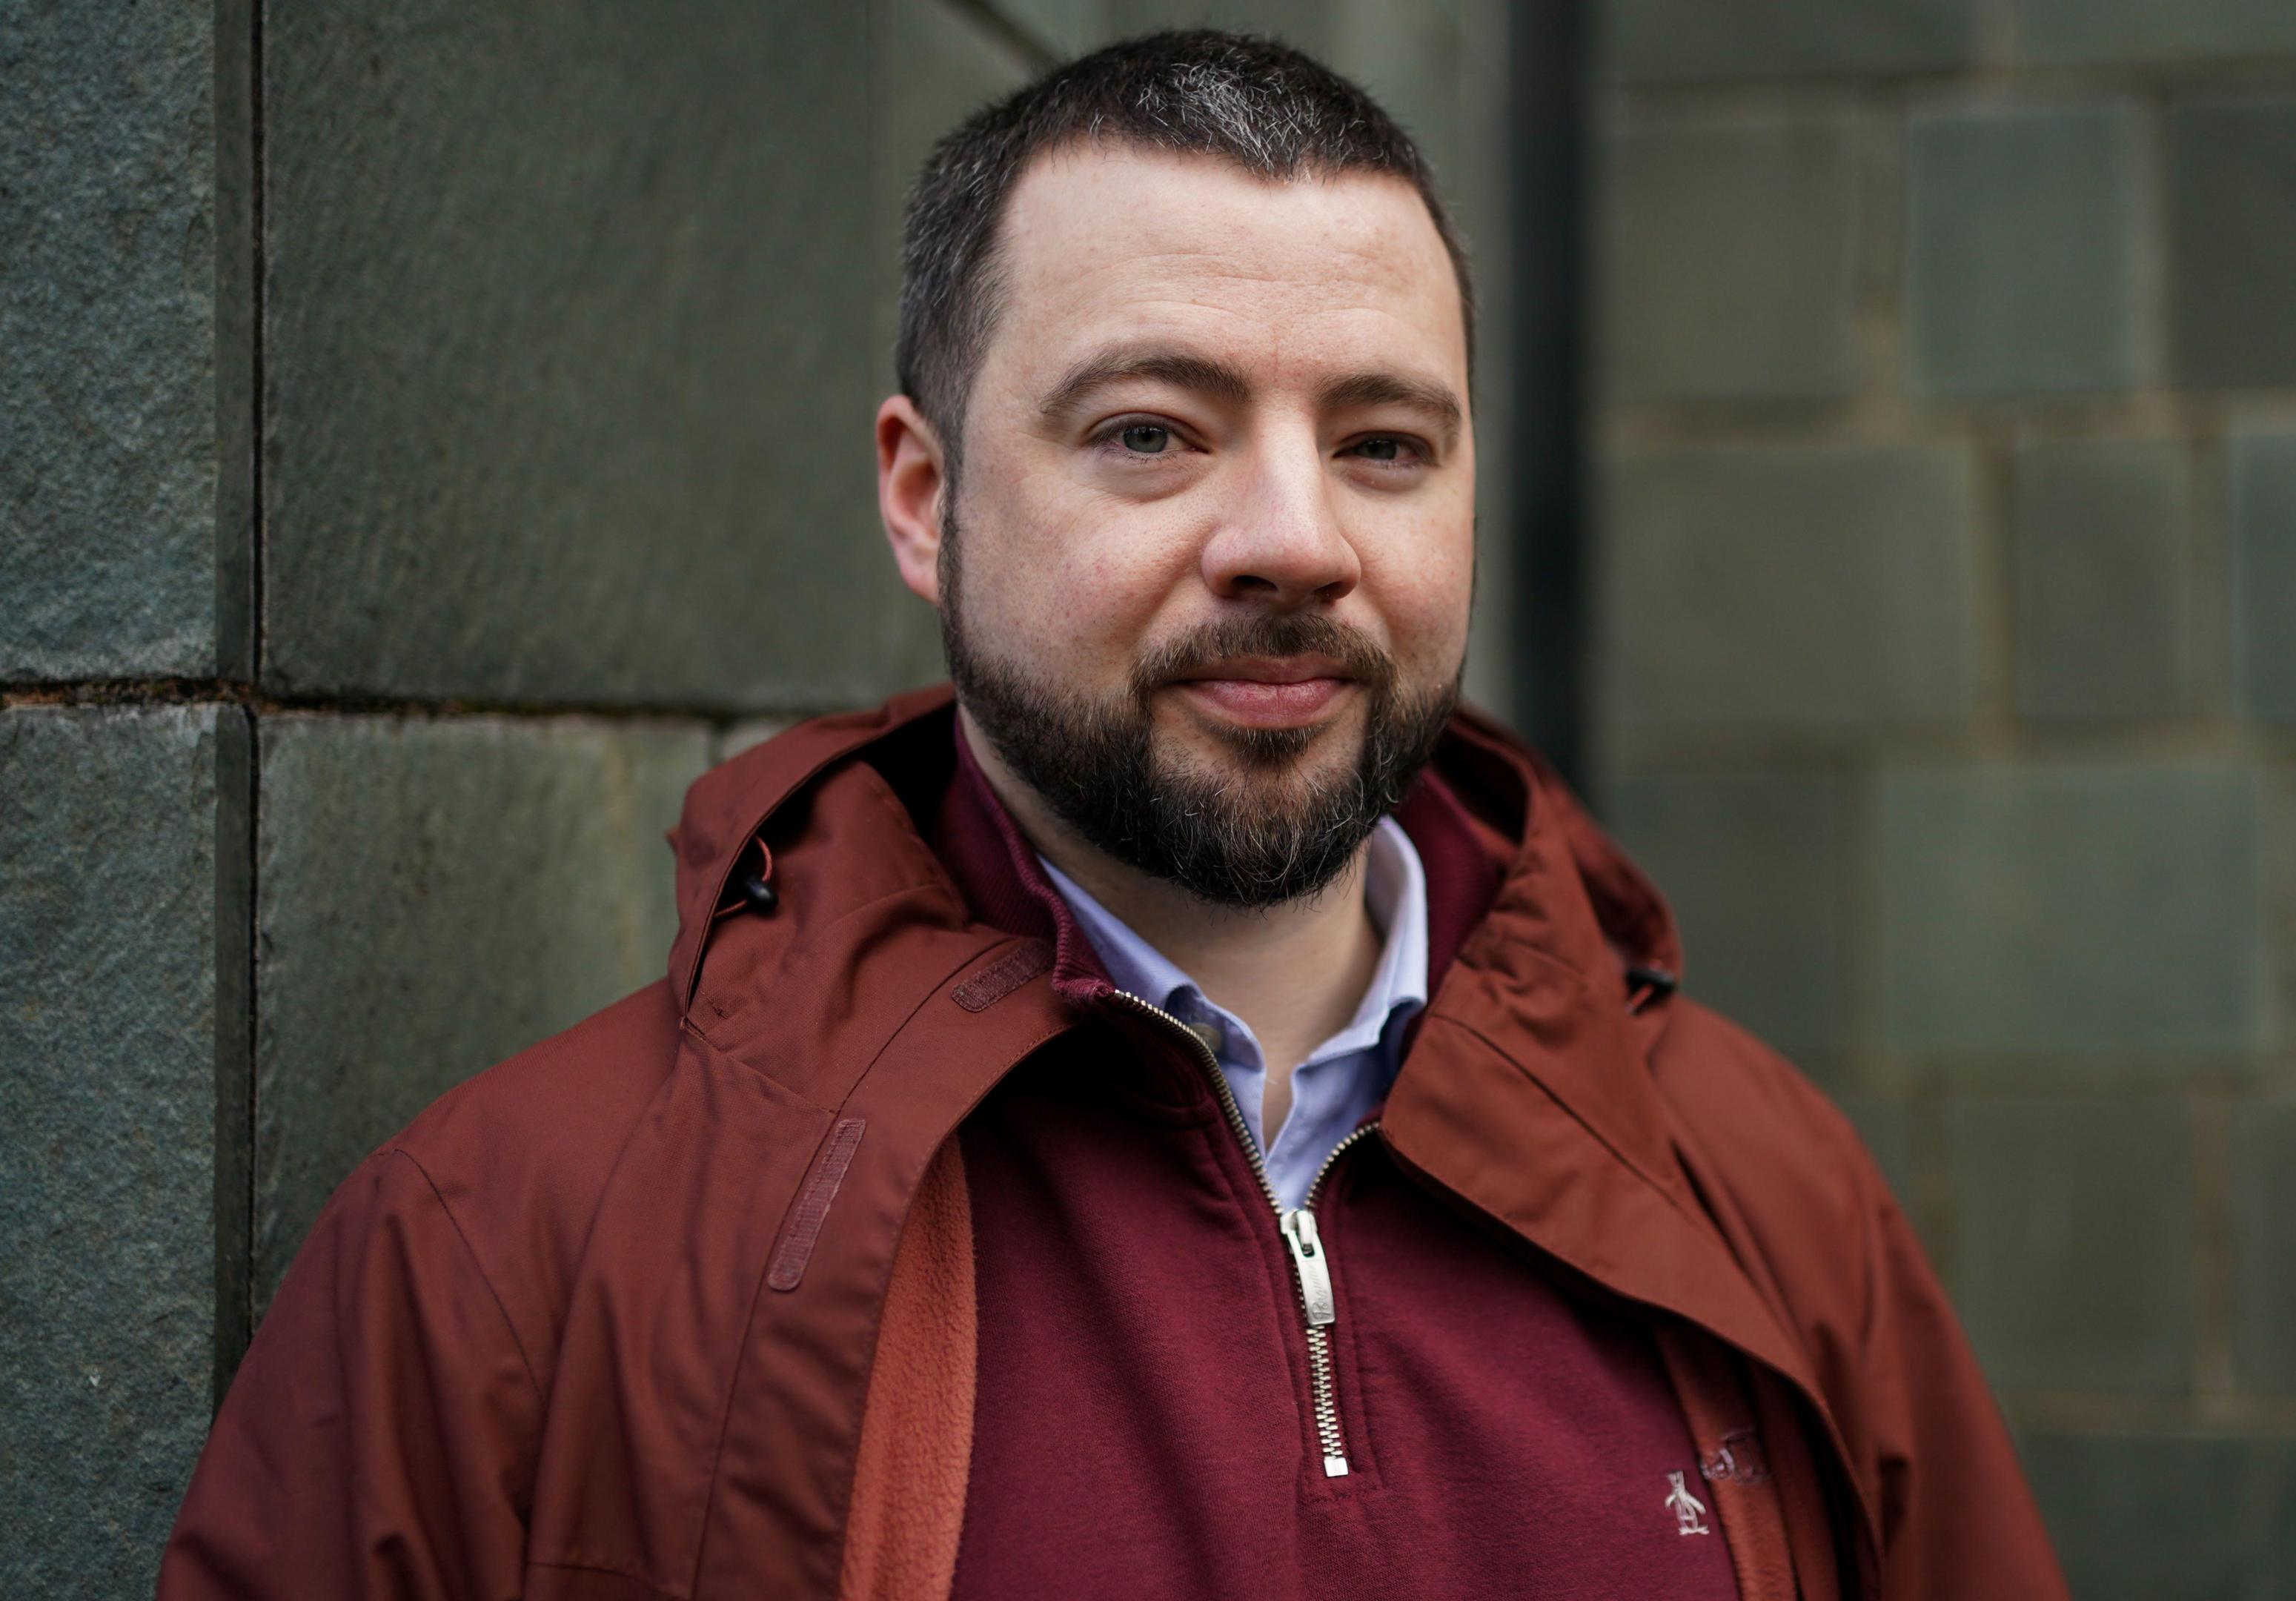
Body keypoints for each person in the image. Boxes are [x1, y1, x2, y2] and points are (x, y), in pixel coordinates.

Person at [161, 30, 2066, 1600]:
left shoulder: (1762, 1197)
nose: (1297, 542)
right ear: (924, 498)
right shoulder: (519, 1258)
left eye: (1385, 444)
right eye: (1153, 431)